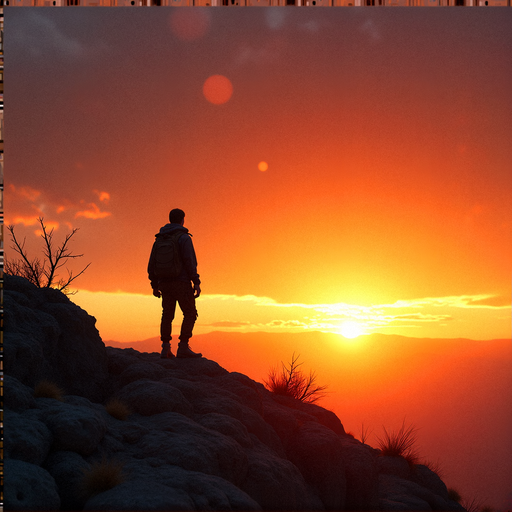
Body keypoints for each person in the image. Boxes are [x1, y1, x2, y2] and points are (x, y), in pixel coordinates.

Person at [148, 208, 202, 359]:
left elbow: (151, 264)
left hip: (164, 283)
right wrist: (196, 281)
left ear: (170, 219)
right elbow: (190, 261)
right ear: (182, 220)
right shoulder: (184, 238)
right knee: (190, 313)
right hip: (181, 282)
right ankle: (183, 347)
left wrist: (154, 285)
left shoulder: (160, 239)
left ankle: (165, 348)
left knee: (167, 315)